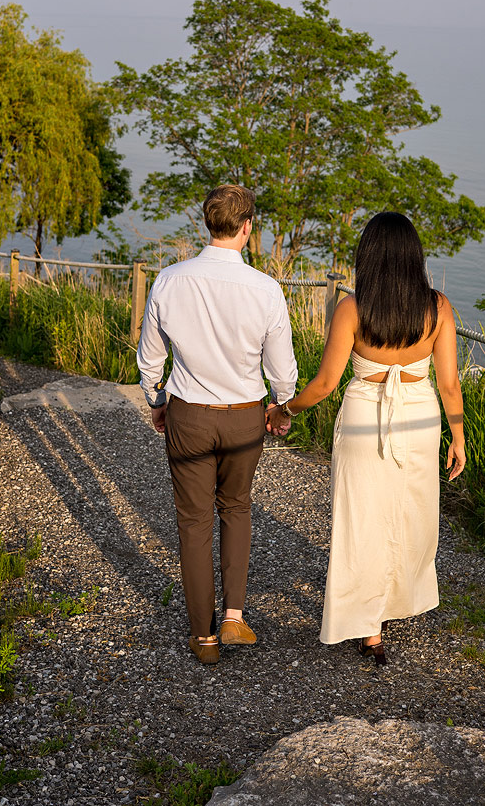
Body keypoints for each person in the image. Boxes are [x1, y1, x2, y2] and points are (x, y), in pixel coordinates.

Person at [267, 211, 465, 664]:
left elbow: (325, 384)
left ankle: (368, 625)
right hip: (419, 418)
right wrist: (458, 437)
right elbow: (450, 383)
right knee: (408, 516)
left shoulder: (352, 308)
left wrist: (284, 410)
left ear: (368, 256)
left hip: (363, 417)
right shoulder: (438, 307)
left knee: (360, 520)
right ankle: (391, 604)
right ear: (414, 256)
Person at [137, 184, 297, 665]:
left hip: (188, 412)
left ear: (208, 223)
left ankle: (203, 639)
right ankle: (233, 616)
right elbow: (282, 372)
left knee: (192, 522)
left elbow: (149, 359)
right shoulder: (266, 289)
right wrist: (280, 407)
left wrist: (157, 400)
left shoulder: (169, 280)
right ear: (247, 227)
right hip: (246, 417)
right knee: (237, 509)